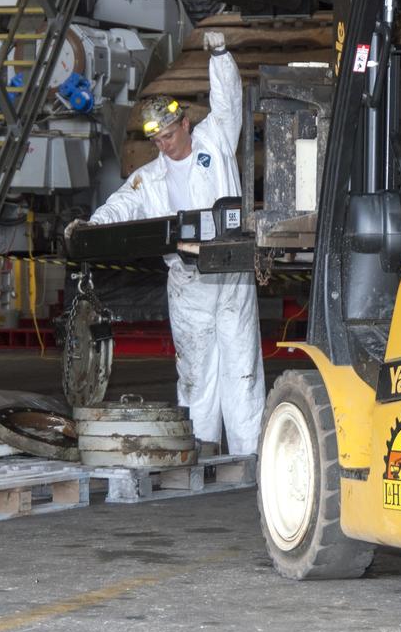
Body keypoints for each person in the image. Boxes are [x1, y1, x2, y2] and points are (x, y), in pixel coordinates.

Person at [66, 31, 263, 456]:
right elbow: (122, 204)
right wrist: (90, 226)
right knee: (195, 370)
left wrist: (220, 55)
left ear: (185, 124)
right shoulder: (151, 177)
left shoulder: (216, 141)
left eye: (168, 136)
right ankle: (203, 449)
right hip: (188, 281)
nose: (162, 145)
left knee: (240, 365)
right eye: (155, 140)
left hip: (230, 274)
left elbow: (228, 98)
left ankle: (250, 455)